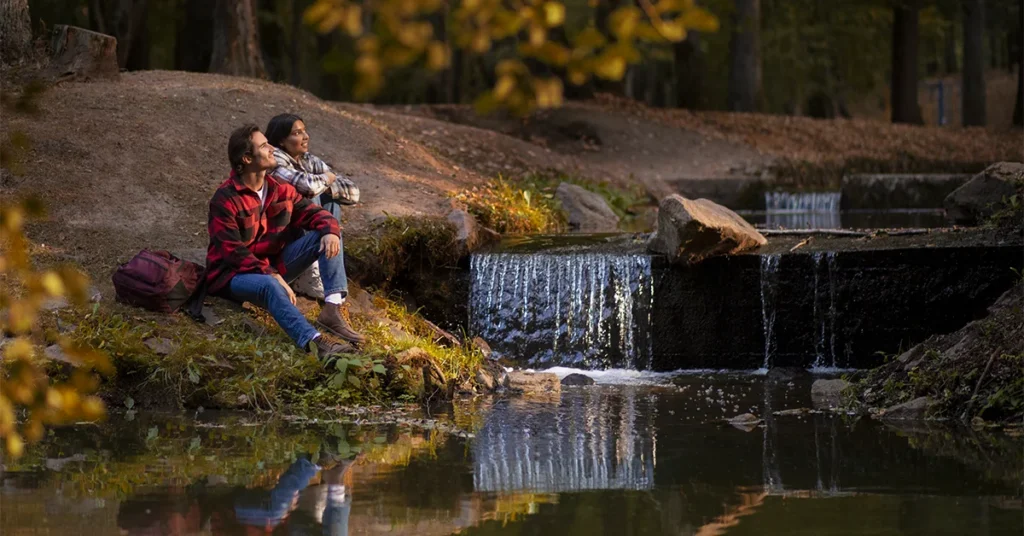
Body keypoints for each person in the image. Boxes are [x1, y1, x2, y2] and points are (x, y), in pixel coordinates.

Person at [205, 124, 366, 357]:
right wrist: (270, 273)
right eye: (263, 145)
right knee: (270, 285)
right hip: (232, 276)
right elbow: (233, 253)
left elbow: (314, 214)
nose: (271, 148)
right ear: (248, 158)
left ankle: (332, 308)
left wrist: (331, 229)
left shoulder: (280, 189)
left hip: (274, 267)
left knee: (326, 230)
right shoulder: (225, 199)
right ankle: (315, 343)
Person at [265, 114, 359, 300]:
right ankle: (311, 272)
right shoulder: (274, 160)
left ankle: (333, 291)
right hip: (285, 245)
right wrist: (327, 179)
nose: (306, 136)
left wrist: (325, 185)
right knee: (313, 196)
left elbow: (354, 192)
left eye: (304, 130)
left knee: (331, 201)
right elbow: (309, 187)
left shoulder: (308, 160)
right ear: (282, 140)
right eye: (297, 133)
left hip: (304, 234)